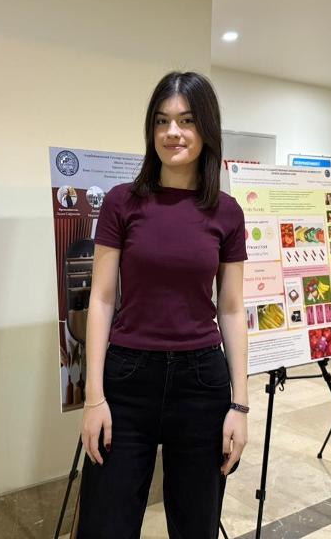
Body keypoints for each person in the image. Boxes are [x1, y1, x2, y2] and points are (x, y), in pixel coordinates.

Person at [78, 71, 249, 539]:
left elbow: (232, 308)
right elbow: (102, 298)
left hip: (201, 384)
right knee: (105, 525)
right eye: (162, 121)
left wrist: (240, 405)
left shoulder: (227, 212)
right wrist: (94, 398)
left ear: (206, 129)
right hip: (128, 380)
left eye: (186, 120)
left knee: (196, 526)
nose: (173, 132)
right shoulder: (122, 203)